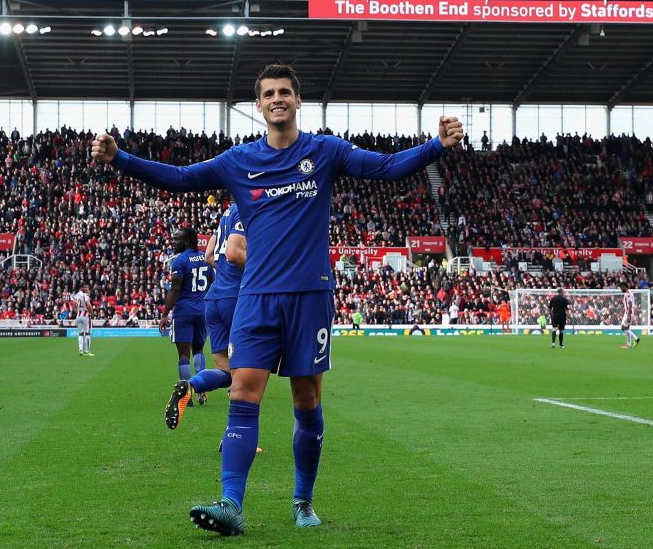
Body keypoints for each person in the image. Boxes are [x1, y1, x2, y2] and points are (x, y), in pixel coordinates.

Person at [91, 63, 464, 535]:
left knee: (306, 399)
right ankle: (231, 504)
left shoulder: (325, 151)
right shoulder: (238, 161)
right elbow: (181, 177)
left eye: (285, 91)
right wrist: (121, 158)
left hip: (310, 297)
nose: (277, 99)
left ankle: (303, 501)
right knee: (244, 392)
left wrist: (436, 146)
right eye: (269, 93)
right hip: (257, 297)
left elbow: (386, 168)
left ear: (297, 100)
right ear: (259, 105)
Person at [166, 206, 244, 428]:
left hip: (214, 300)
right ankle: (236, 435)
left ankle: (191, 386)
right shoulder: (249, 211)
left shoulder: (225, 216)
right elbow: (231, 254)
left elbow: (212, 255)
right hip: (235, 297)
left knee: (225, 370)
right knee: (249, 368)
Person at [159, 226, 213, 409]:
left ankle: (186, 394)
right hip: (202, 311)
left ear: (187, 241)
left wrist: (165, 314)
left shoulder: (180, 261)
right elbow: (212, 283)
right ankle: (202, 389)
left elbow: (174, 289)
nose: (173, 242)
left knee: (184, 355)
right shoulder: (206, 258)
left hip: (184, 312)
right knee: (199, 350)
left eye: (176, 239)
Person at [71, 284, 94, 357]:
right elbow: (89, 305)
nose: (87, 289)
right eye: (86, 287)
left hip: (79, 316)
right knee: (87, 333)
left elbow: (73, 305)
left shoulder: (77, 295)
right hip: (86, 316)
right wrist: (92, 314)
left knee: (80, 333)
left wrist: (77, 312)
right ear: (82, 288)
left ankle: (80, 349)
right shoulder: (85, 295)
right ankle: (86, 351)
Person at [620, 284, 641, 348]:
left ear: (625, 287)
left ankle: (636, 338)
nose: (621, 289)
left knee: (623, 327)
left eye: (622, 287)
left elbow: (630, 304)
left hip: (628, 313)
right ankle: (628, 344)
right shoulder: (629, 293)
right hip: (628, 313)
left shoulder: (628, 294)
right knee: (626, 328)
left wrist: (629, 315)